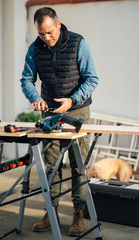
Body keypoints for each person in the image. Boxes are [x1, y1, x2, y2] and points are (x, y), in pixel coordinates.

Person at [20, 7, 99, 237]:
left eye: (50, 32)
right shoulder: (35, 48)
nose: (47, 38)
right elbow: (26, 79)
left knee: (78, 164)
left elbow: (92, 78)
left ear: (58, 24)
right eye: (42, 34)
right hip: (51, 113)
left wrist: (72, 99)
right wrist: (35, 98)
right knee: (51, 163)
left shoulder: (78, 43)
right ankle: (51, 211)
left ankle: (78, 214)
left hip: (77, 111)